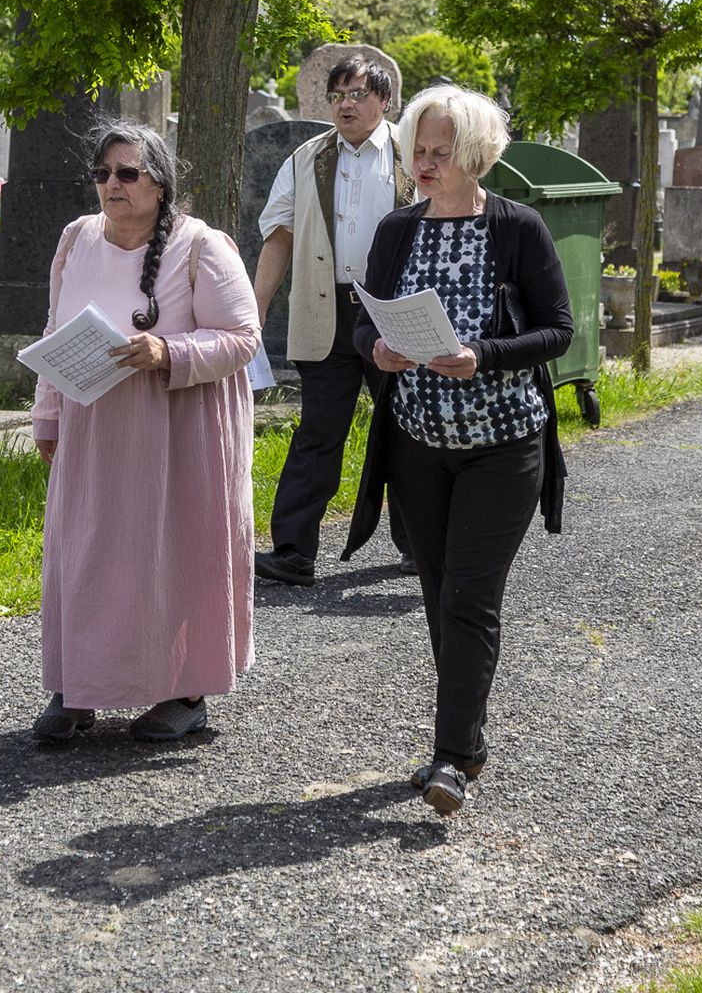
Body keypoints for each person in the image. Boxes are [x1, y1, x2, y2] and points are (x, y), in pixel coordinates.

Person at [345, 86, 572, 815]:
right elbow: (364, 322)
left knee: (471, 597)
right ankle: (468, 744)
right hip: (418, 443)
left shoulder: (518, 227)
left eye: (441, 152)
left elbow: (558, 330)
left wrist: (484, 356)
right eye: (418, 151)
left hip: (502, 446)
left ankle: (448, 758)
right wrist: (376, 349)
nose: (425, 164)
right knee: (440, 594)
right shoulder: (396, 230)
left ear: (475, 155)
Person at [29, 123, 260, 745]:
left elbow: (243, 339)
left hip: (176, 432)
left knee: (172, 559)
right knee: (87, 554)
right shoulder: (76, 238)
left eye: (127, 173)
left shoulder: (201, 246)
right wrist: (47, 415)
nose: (113, 184)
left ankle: (186, 691)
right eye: (103, 173)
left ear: (160, 184)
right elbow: (53, 330)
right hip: (93, 426)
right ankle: (77, 686)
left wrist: (167, 351)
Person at [252, 55, 414, 586]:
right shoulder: (307, 157)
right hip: (326, 310)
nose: (346, 105)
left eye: (358, 94)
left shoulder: (411, 152)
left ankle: (418, 544)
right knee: (318, 434)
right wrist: (255, 309)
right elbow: (278, 236)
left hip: (393, 312)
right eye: (338, 95)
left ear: (384, 101)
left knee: (407, 429)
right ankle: (293, 552)